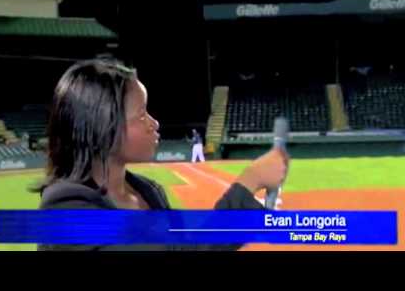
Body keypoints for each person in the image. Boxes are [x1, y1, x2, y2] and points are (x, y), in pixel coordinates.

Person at [34, 58, 289, 251]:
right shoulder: (64, 208)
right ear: (102, 125)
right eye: (141, 114)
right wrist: (249, 181)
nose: (153, 123)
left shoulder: (148, 191)